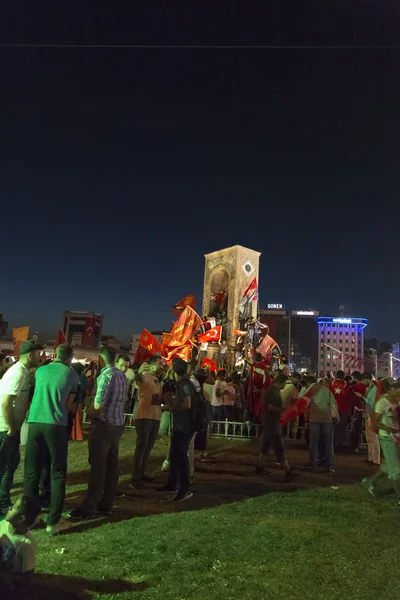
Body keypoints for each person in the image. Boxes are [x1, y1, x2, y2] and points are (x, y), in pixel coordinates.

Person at [23, 344, 78, 535]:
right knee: (58, 471)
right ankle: (53, 520)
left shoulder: (40, 370)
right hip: (56, 424)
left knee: (32, 471)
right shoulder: (72, 375)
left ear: (55, 355)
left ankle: (28, 518)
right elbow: (69, 405)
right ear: (70, 358)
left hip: (35, 421)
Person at [69, 346, 127, 519]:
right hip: (117, 424)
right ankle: (106, 504)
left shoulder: (106, 376)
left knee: (98, 466)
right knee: (112, 465)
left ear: (101, 359)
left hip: (103, 425)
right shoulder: (121, 375)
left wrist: (89, 412)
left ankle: (90, 505)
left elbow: (98, 406)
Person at [0, 342, 42, 515]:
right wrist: (10, 427)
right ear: (30, 355)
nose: (40, 357)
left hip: (11, 428)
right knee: (3, 467)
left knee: (10, 465)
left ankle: (3, 501)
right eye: (38, 354)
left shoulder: (22, 371)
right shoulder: (17, 373)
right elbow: (5, 402)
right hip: (5, 429)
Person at [159, 359, 195, 502]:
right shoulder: (182, 384)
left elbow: (187, 405)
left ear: (174, 371)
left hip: (184, 425)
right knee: (175, 453)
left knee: (181, 456)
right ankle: (172, 483)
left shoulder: (185, 384)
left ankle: (185, 489)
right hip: (180, 424)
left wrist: (170, 407)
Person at [362, 381, 400, 505]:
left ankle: (369, 481)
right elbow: (376, 422)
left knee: (388, 466)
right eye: (396, 388)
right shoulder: (382, 403)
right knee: (395, 469)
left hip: (397, 437)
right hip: (387, 438)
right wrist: (390, 429)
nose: (398, 391)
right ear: (389, 390)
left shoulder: (397, 401)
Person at [130, 357, 162, 489]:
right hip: (144, 416)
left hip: (155, 416)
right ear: (153, 365)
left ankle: (142, 473)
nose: (162, 365)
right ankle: (135, 477)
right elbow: (136, 379)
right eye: (160, 363)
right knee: (141, 447)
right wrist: (138, 372)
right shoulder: (144, 376)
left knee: (148, 447)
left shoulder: (157, 379)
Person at [255, 374, 295, 481]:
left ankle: (260, 467)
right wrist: (284, 409)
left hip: (269, 422)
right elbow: (271, 407)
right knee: (279, 447)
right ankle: (288, 471)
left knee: (265, 446)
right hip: (272, 423)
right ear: (282, 382)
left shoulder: (271, 390)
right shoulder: (274, 392)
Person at [0, 496, 40, 595]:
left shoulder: (26, 545)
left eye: (14, 507)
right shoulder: (3, 524)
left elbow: (28, 574)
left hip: (7, 584)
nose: (9, 508)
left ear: (21, 518)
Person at [305, 375, 338, 473]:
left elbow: (304, 405)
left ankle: (313, 463)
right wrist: (336, 417)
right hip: (327, 419)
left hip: (313, 419)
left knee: (314, 442)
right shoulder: (327, 391)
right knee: (328, 443)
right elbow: (333, 404)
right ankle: (329, 465)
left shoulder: (309, 391)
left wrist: (306, 419)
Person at [357, 372, 380, 466]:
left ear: (368, 379)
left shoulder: (374, 389)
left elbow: (371, 402)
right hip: (368, 414)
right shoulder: (370, 388)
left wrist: (362, 396)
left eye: (364, 380)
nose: (363, 382)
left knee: (373, 438)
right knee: (369, 437)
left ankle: (376, 459)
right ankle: (371, 457)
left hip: (372, 415)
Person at [330, 370, 352, 451]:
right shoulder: (347, 386)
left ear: (336, 375)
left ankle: (332, 444)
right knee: (342, 428)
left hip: (333, 409)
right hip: (344, 409)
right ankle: (341, 445)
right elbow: (350, 399)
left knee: (333, 428)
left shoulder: (331, 384)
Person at [349, 371, 366, 454]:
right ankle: (357, 446)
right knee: (359, 429)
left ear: (355, 378)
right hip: (365, 409)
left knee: (355, 429)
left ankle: (354, 446)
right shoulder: (366, 387)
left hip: (356, 410)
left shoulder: (354, 387)